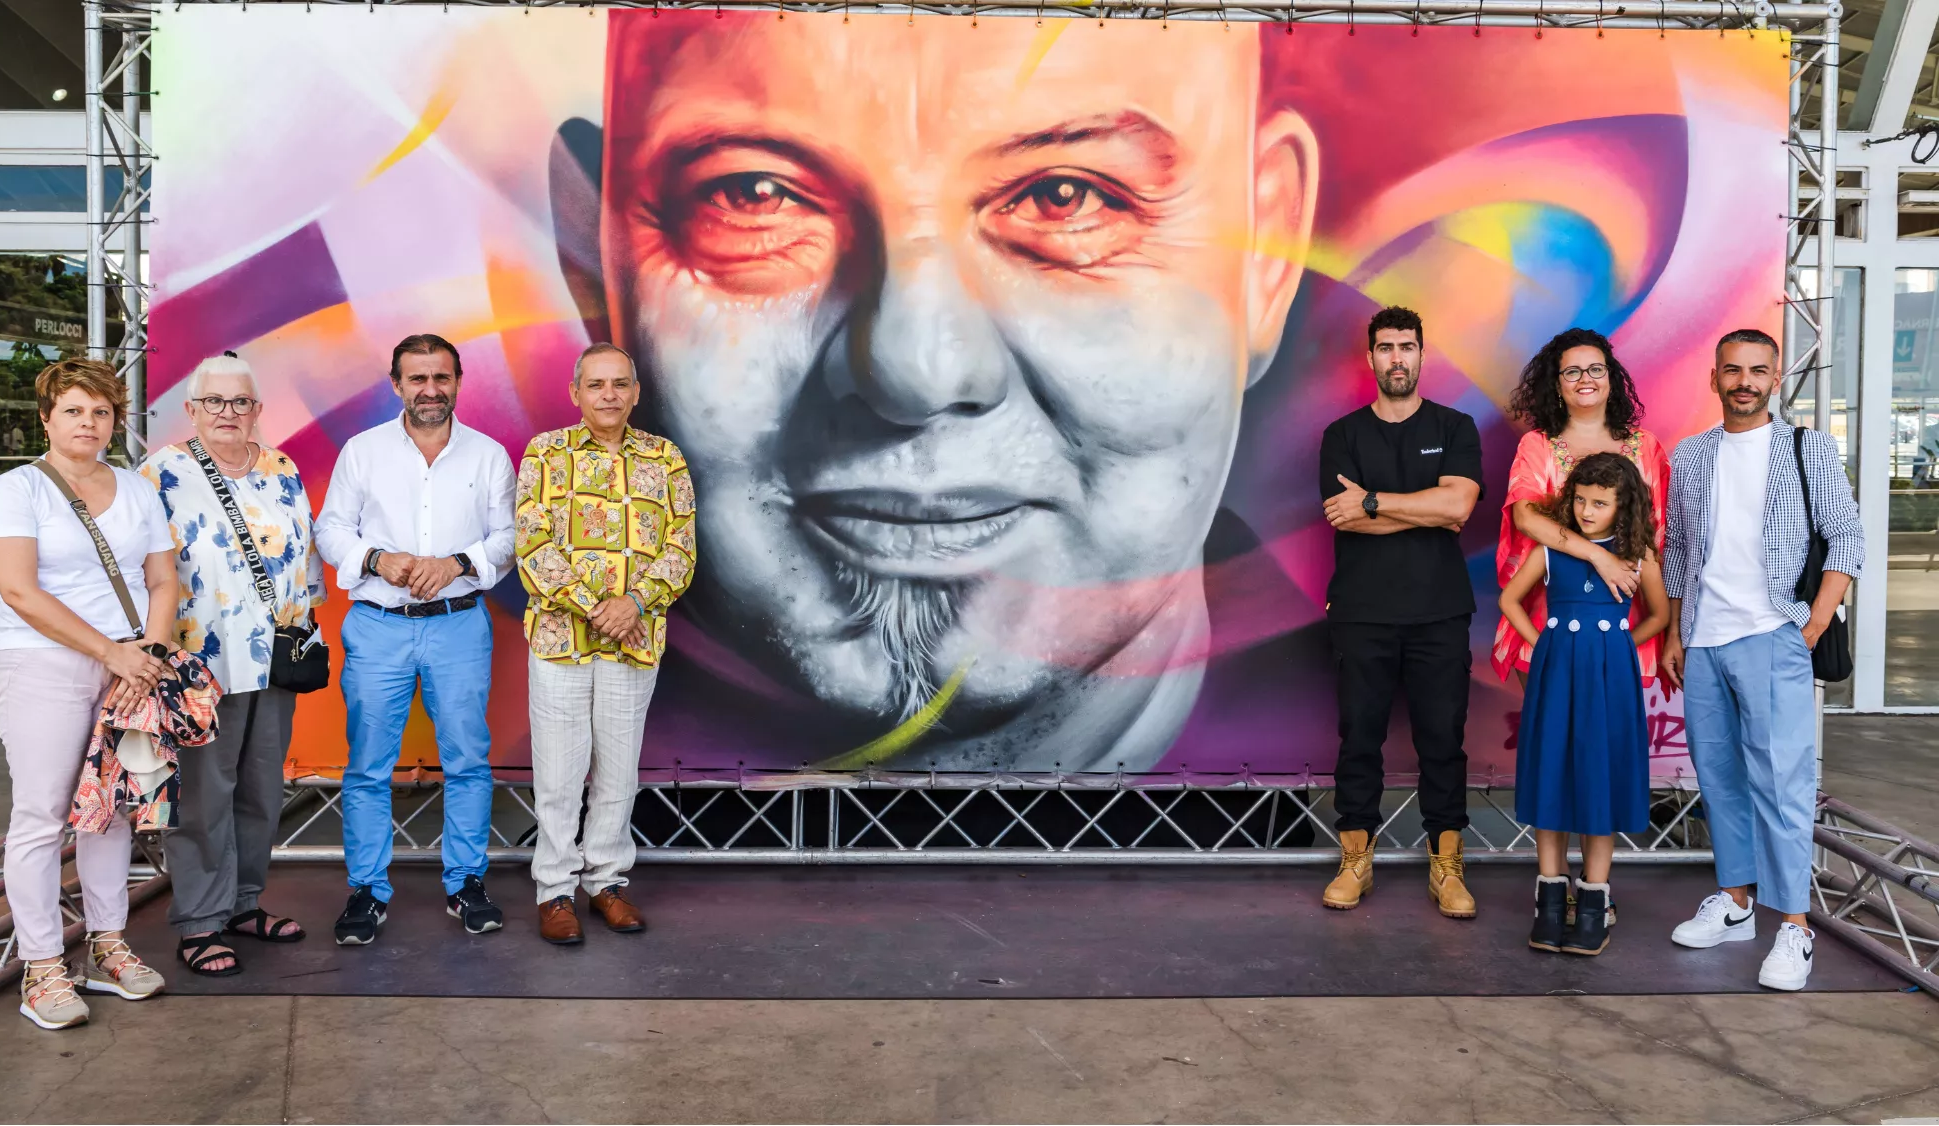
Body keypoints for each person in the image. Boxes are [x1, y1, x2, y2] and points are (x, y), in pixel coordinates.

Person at [588, 14, 1319, 770]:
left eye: (1065, 197)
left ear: (1265, 257)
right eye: (754, 195)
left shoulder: (1387, 729)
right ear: (596, 264)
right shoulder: (569, 736)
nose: (916, 371)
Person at [1660, 328, 1862, 992]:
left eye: (1757, 370)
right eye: (1732, 370)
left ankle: (1795, 928)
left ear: (1776, 378)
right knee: (1718, 782)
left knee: (1782, 785)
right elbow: (1681, 552)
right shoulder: (1690, 456)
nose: (1744, 380)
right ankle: (1738, 904)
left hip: (1773, 635)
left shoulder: (1807, 447)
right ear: (1714, 377)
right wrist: (1675, 633)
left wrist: (1811, 625)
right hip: (1706, 640)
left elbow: (1846, 536)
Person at [0, 357, 175, 1030]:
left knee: (110, 810)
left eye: (100, 412)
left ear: (115, 419)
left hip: (125, 668)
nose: (88, 423)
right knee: (42, 813)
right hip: (43, 665)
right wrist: (112, 651)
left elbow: (163, 580)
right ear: (46, 418)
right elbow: (21, 592)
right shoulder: (17, 489)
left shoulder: (136, 488)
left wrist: (144, 654)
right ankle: (42, 968)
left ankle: (107, 945)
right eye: (73, 411)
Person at [314, 334, 517, 944]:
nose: (430, 390)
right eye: (417, 379)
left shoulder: (488, 456)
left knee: (468, 761)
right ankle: (367, 891)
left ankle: (466, 884)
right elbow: (330, 530)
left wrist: (456, 563)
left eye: (441, 378)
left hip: (460, 624)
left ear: (458, 381)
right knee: (369, 767)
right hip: (379, 627)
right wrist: (376, 558)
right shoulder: (363, 451)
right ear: (396, 383)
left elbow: (509, 538)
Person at [139, 352, 325, 976]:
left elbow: (307, 557)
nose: (227, 413)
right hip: (199, 662)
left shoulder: (282, 468)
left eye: (239, 402)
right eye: (213, 402)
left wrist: (307, 625)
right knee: (202, 796)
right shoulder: (160, 474)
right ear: (190, 410)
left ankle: (244, 903)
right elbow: (144, 569)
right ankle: (198, 919)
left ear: (256, 410)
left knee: (261, 788)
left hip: (273, 657)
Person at [516, 343, 696, 944]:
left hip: (635, 639)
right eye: (596, 385)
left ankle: (608, 884)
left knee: (619, 771)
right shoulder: (545, 454)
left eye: (620, 384)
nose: (609, 395)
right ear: (576, 393)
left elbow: (680, 549)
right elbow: (534, 547)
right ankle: (556, 892)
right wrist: (599, 608)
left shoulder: (664, 458)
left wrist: (633, 605)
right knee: (561, 774)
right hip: (562, 640)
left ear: (637, 392)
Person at [1317, 306, 1484, 918]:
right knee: (1359, 737)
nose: (1396, 358)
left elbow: (1458, 507)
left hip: (1439, 612)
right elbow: (1341, 514)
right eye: (1385, 347)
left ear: (1421, 354)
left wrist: (1374, 504)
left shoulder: (1457, 425)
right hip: (1362, 611)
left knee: (1443, 740)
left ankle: (1447, 865)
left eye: (1406, 347)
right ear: (1370, 358)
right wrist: (1418, 506)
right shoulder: (1342, 435)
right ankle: (1355, 859)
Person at [1498, 453, 1670, 956]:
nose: (1587, 511)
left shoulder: (1639, 553)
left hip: (1609, 680)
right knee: (1553, 776)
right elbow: (1511, 599)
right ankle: (1550, 902)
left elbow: (1659, 615)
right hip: (1556, 675)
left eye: (1600, 503)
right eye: (1579, 500)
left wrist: (1618, 645)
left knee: (1601, 779)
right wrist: (1542, 642)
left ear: (1624, 506)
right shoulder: (1550, 550)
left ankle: (1593, 903)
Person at [1494, 328, 1671, 688]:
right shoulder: (1538, 446)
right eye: (1572, 372)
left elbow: (1661, 532)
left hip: (1624, 617)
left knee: (1609, 736)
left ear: (1611, 376)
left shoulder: (1646, 446)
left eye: (1595, 369)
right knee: (1551, 734)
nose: (1585, 379)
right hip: (1549, 616)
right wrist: (1597, 555)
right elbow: (1524, 516)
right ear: (1556, 385)